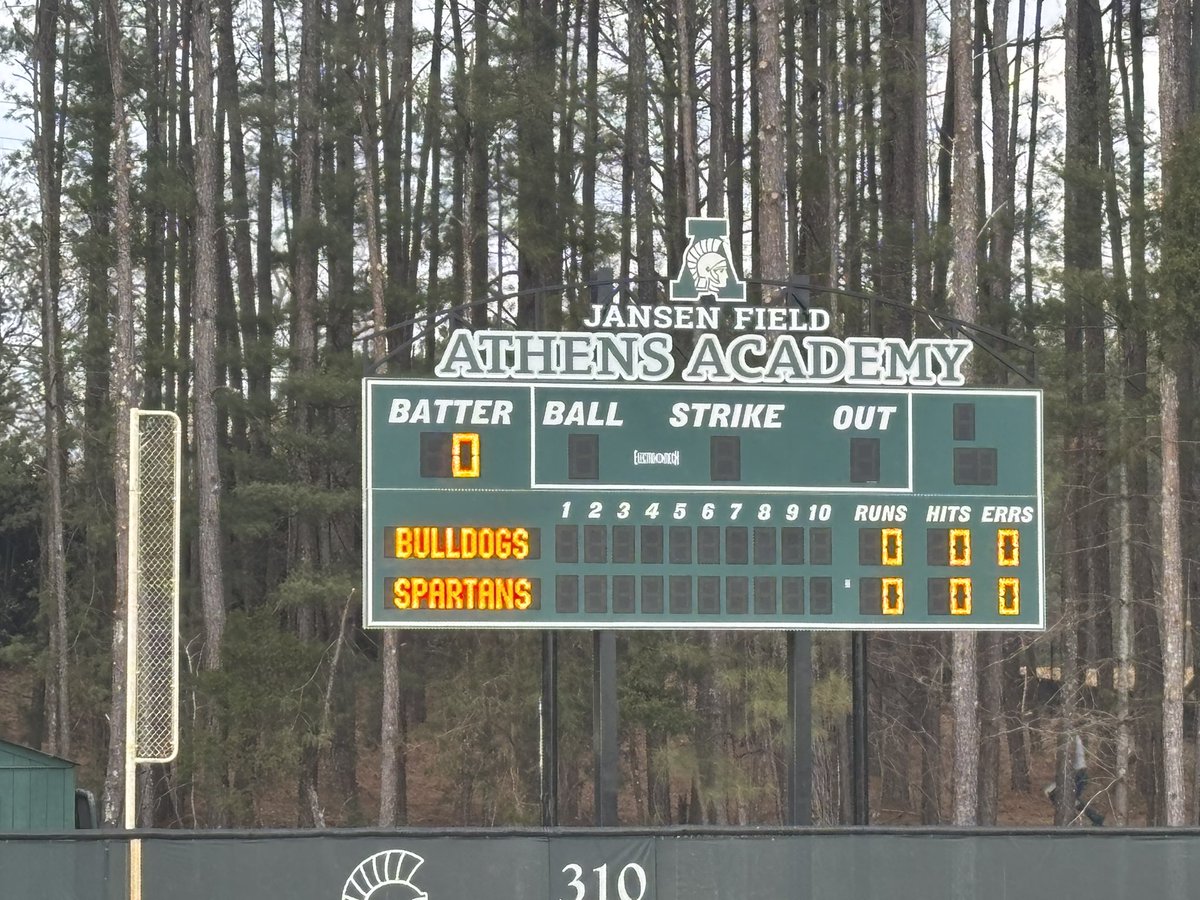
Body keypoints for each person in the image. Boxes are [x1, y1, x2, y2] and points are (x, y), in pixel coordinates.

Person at [1044, 735, 1104, 826]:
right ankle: (1094, 817)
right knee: (1071, 798)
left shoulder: (1071, 737)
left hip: (1078, 773)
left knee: (1062, 795)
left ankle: (1094, 817)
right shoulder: (1074, 737)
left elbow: (1070, 755)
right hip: (1078, 772)